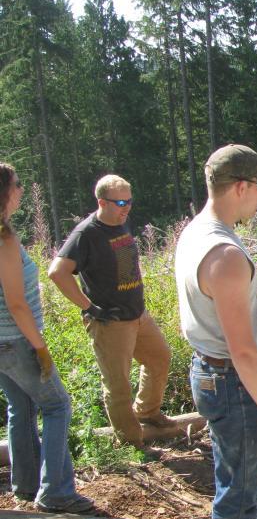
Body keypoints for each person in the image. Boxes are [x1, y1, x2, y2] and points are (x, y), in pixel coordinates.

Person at [175, 144, 257, 519]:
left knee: (232, 469)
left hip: (209, 370)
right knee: (240, 486)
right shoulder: (224, 255)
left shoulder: (197, 231)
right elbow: (242, 351)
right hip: (230, 379)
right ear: (241, 186)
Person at [48, 175, 173, 449]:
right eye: (120, 203)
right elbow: (57, 272)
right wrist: (89, 307)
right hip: (110, 321)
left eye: (129, 201)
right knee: (118, 385)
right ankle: (131, 443)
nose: (126, 207)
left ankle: (147, 412)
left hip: (138, 314)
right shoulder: (86, 233)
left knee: (159, 358)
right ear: (102, 202)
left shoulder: (122, 221)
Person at [0, 164, 94, 514]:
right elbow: (16, 303)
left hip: (3, 343)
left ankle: (26, 485)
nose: (21, 190)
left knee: (22, 407)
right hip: (16, 342)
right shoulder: (4, 240)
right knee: (57, 406)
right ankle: (55, 492)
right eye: (17, 184)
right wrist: (39, 348)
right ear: (4, 193)